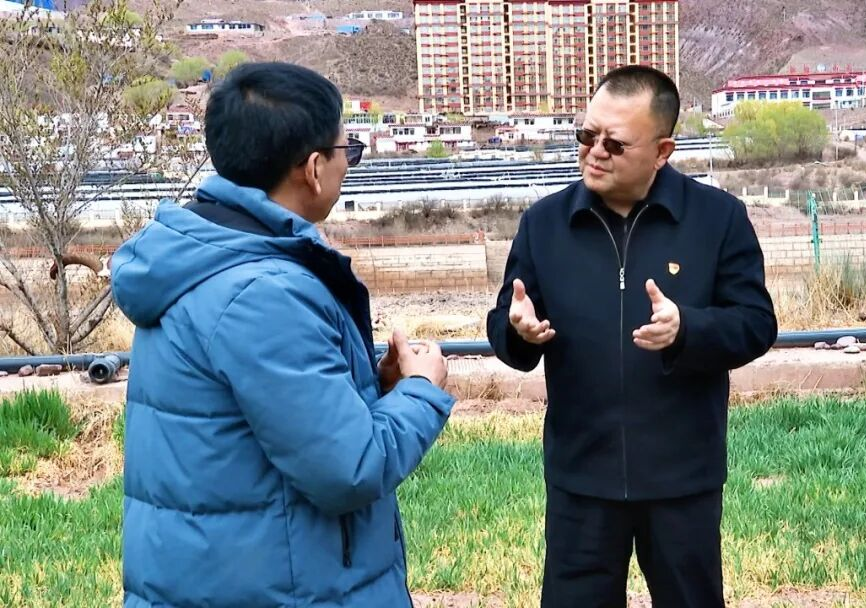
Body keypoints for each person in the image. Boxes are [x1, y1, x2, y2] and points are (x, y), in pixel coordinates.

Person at [111, 61, 455, 607]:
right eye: (348, 151)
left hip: (229, 576)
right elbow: (348, 469)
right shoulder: (263, 294)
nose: (348, 165)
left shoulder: (205, 254)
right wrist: (421, 390)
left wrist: (373, 386)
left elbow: (275, 420)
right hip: (284, 588)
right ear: (314, 169)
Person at [486, 65, 777, 607]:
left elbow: (756, 323)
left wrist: (688, 328)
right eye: (586, 135)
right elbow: (507, 332)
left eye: (614, 144)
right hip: (581, 480)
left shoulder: (717, 219)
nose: (594, 152)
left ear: (663, 151)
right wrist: (518, 330)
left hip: (682, 479)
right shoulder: (545, 225)